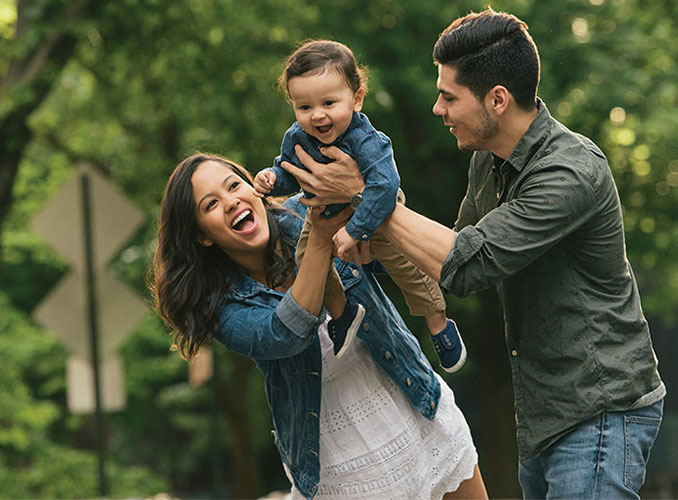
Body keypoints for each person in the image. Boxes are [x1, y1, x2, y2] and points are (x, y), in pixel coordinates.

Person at [278, 8, 665, 499]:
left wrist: (363, 192)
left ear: (497, 100)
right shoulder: (490, 161)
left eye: (448, 96)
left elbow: (468, 262)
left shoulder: (569, 172)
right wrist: (367, 238)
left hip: (601, 409)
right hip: (546, 411)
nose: (437, 109)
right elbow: (447, 254)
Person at [150, 153, 488, 499]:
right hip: (337, 462)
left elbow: (390, 231)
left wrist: (368, 228)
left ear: (256, 189)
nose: (231, 201)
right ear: (202, 236)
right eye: (211, 204)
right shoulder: (225, 308)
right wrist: (321, 238)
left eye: (234, 185)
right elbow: (286, 333)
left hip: (416, 402)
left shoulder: (307, 210)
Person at [253, 39, 466, 372]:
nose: (317, 115)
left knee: (407, 264)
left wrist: (356, 230)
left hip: (376, 210)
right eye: (304, 107)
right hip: (326, 215)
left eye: (328, 102)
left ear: (357, 98)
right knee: (306, 259)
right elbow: (289, 170)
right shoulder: (296, 137)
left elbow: (384, 186)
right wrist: (271, 178)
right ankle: (343, 313)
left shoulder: (365, 140)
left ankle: (438, 322)